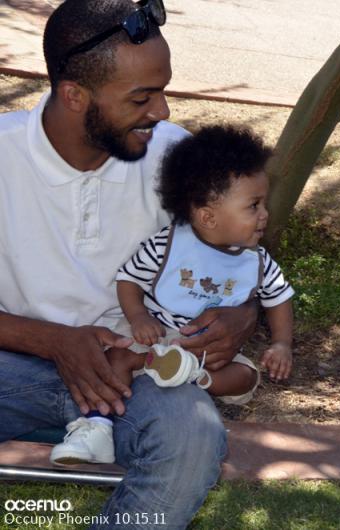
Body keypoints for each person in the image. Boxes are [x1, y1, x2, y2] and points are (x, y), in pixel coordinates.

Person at [0, 0, 257, 527]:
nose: (162, 112)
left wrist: (241, 315)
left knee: (192, 441)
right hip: (13, 366)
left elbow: (237, 272)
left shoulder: (176, 157)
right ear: (74, 96)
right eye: (142, 97)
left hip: (137, 371)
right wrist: (51, 340)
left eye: (163, 91)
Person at [49, 125, 295, 466]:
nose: (265, 214)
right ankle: (98, 427)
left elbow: (278, 299)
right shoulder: (166, 245)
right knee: (116, 360)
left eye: (264, 203)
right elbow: (129, 280)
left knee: (246, 376)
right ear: (207, 216)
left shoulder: (257, 261)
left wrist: (281, 343)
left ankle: (192, 376)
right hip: (157, 332)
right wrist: (138, 317)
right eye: (253, 206)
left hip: (207, 352)